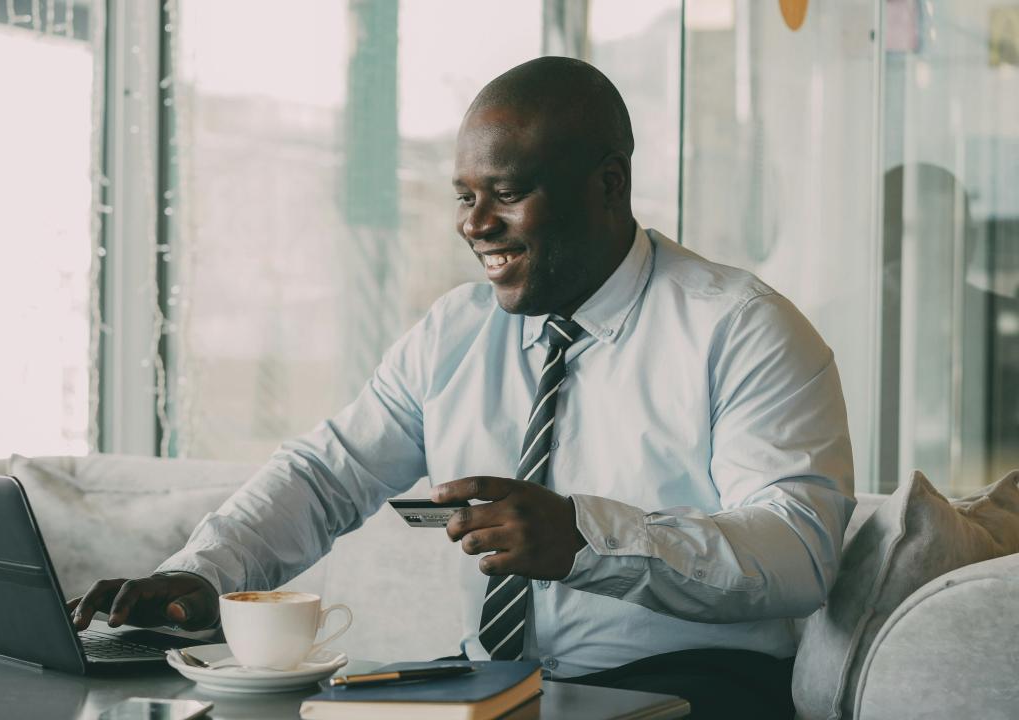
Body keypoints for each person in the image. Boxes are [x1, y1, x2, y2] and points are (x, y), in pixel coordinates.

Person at [69, 57, 854, 718]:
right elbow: (326, 473)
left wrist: (588, 537)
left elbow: (797, 552)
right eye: (464, 195)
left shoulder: (743, 330)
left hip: (692, 689)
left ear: (608, 186)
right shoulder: (458, 329)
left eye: (505, 195)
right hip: (492, 684)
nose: (473, 224)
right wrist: (204, 574)